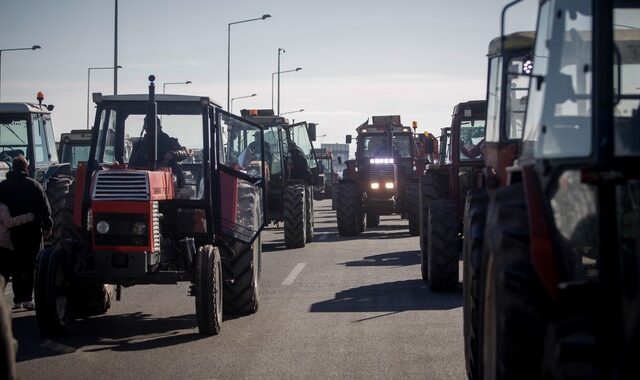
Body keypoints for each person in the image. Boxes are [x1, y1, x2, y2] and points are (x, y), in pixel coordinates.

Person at [0, 155, 52, 310]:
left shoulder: (3, 186)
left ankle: (17, 300)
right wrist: (47, 226)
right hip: (32, 232)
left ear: (12, 168)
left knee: (15, 266)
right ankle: (28, 299)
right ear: (26, 168)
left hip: (11, 233)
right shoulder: (34, 185)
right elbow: (45, 208)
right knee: (30, 266)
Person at [129, 117, 189, 187]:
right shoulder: (139, 145)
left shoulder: (170, 142)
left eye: (154, 127)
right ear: (145, 129)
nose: (151, 130)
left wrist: (173, 154)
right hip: (142, 181)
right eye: (148, 127)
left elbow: (184, 153)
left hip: (169, 180)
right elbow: (131, 165)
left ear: (159, 127)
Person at [0, 202, 35, 287]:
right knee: (4, 273)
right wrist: (28, 217)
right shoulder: (2, 207)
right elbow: (8, 223)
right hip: (3, 244)